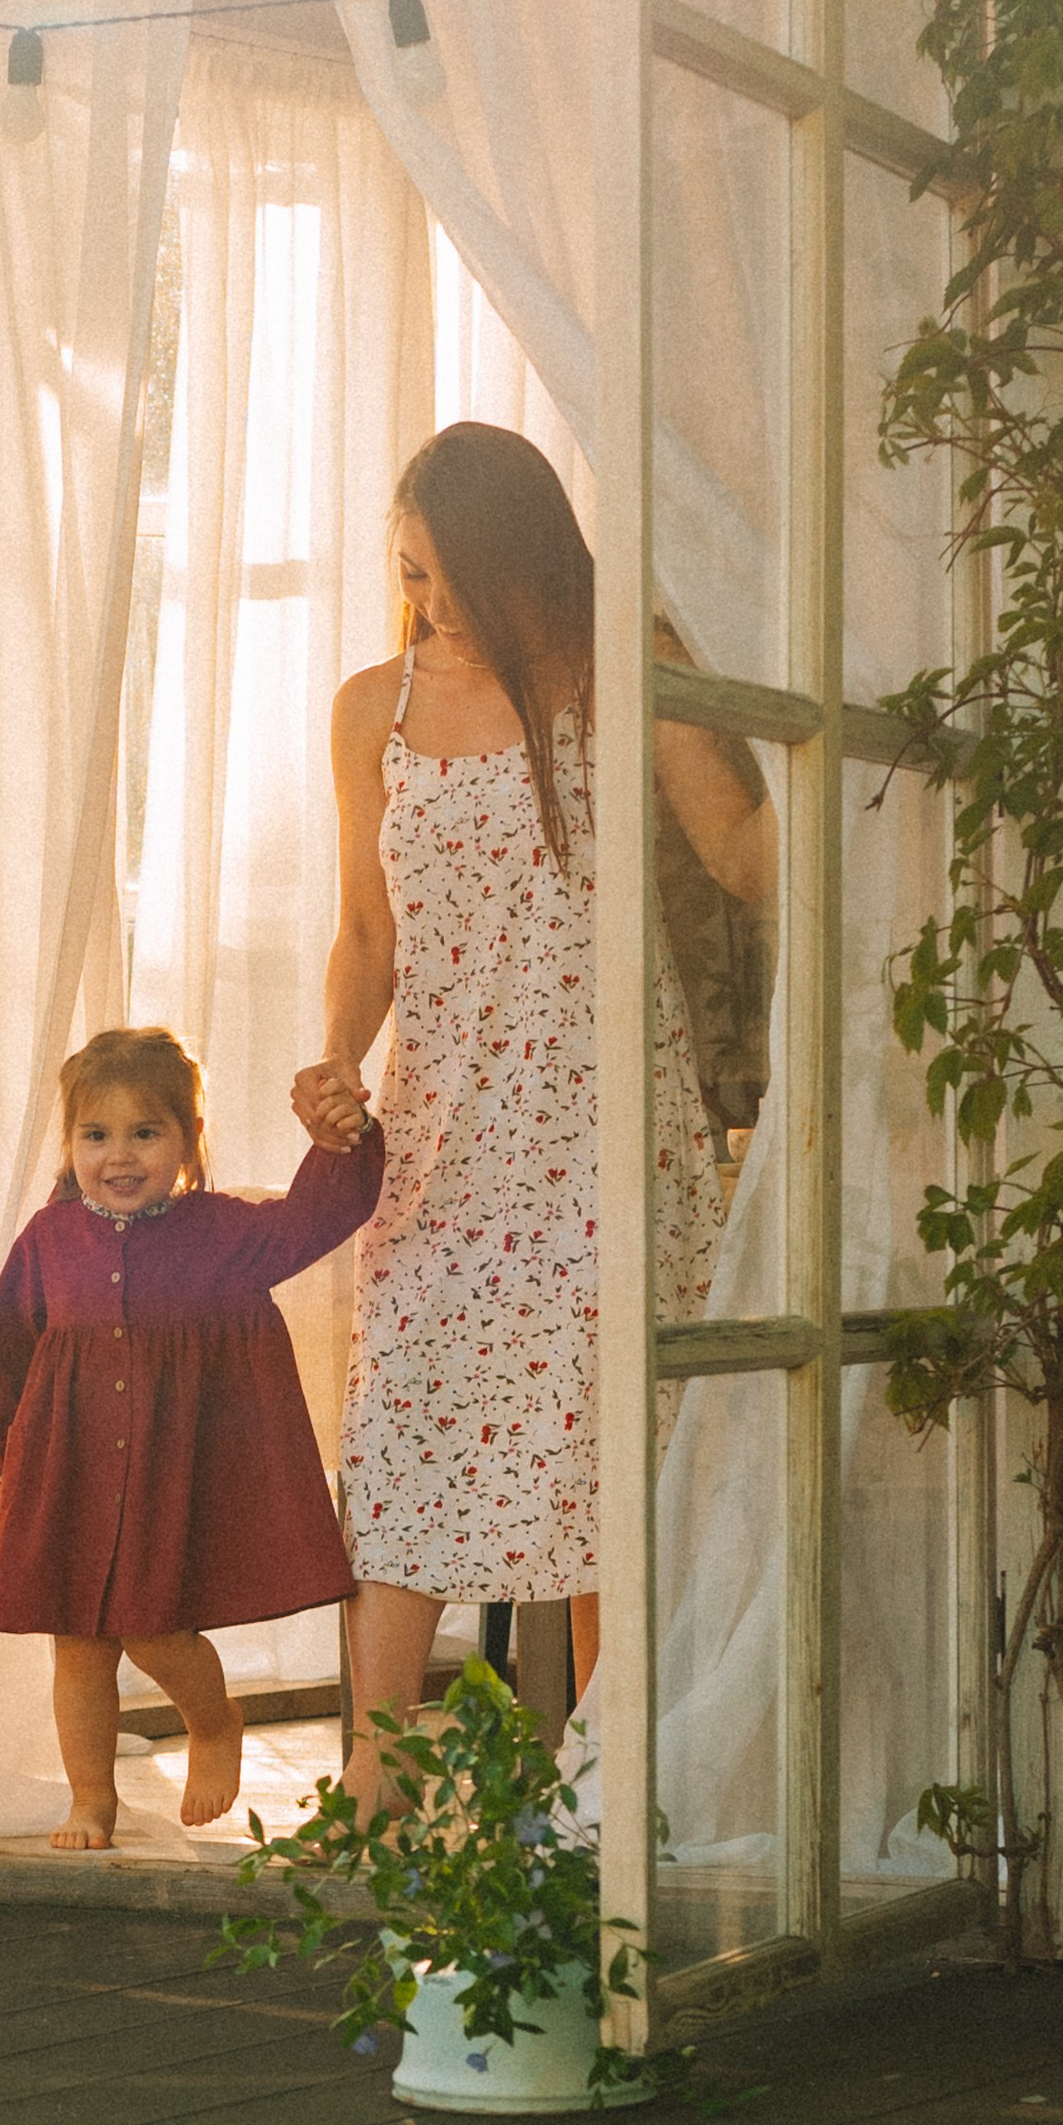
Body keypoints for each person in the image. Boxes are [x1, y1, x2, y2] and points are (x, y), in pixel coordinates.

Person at [293, 422, 774, 1809]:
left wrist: (868, 793)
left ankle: (610, 1798)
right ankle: (371, 1799)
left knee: (603, 1457)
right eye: (409, 575)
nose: (430, 606)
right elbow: (367, 932)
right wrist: (335, 1055)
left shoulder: (620, 674)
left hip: (602, 1130)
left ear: (517, 563)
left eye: (448, 576)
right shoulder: (368, 708)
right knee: (399, 1449)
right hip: (438, 1136)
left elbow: (741, 855)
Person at [0, 1022, 384, 1851]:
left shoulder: (223, 1233)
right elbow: (6, 1338)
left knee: (154, 1626)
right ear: (71, 1143)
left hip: (168, 1474)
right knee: (78, 1645)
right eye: (96, 1135)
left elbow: (315, 1218)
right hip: (72, 1470)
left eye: (144, 1132)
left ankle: (213, 1719)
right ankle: (91, 1802)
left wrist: (344, 1141)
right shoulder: (49, 1241)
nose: (119, 1155)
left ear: (189, 1141)